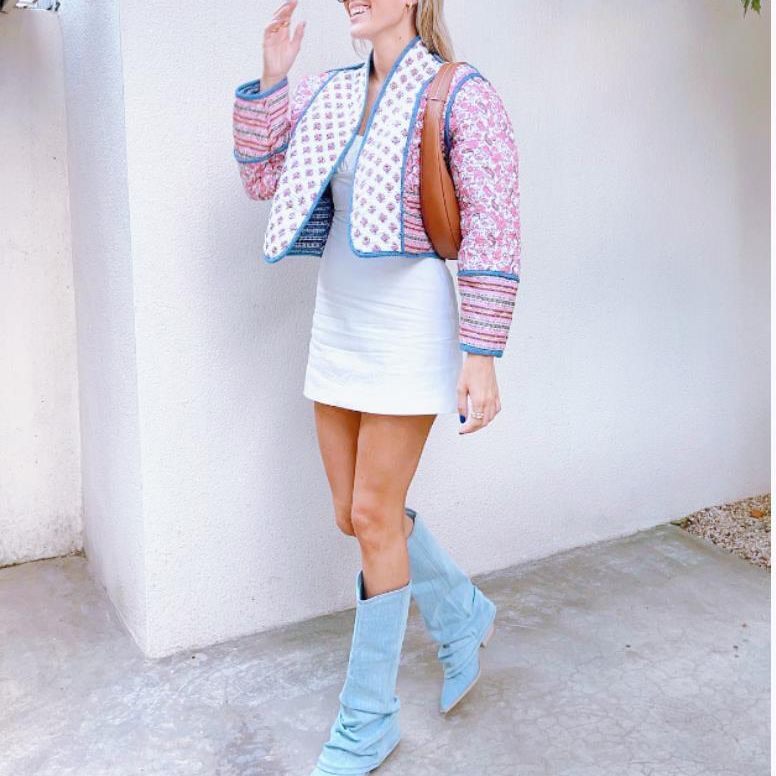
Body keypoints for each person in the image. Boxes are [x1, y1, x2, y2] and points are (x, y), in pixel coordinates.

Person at [232, 1, 521, 773]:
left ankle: (368, 719)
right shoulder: (328, 90)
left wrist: (481, 351)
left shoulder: (460, 92)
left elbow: (493, 222)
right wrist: (272, 78)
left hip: (408, 325)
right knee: (351, 515)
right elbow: (262, 179)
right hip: (340, 321)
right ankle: (461, 613)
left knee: (373, 513)